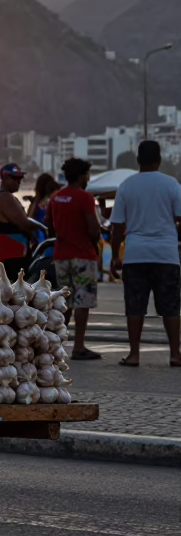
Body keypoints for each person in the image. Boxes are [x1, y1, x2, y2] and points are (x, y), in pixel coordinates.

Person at [110, 140, 181, 368]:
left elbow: (118, 226)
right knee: (171, 306)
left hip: (135, 254)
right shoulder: (172, 185)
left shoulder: (127, 186)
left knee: (135, 306)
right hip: (166, 254)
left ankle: (134, 355)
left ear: (138, 160)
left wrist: (114, 255)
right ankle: (175, 354)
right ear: (159, 159)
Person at [47, 158, 101, 360]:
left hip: (61, 255)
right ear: (81, 176)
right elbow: (93, 230)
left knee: (65, 302)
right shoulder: (85, 197)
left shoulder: (56, 197)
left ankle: (58, 344)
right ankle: (78, 346)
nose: (88, 178)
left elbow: (49, 226)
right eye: (87, 174)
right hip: (82, 255)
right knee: (82, 301)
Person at [0, 164, 42, 278]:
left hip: (3, 256)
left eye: (20, 178)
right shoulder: (5, 197)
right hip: (11, 257)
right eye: (15, 178)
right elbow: (24, 223)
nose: (19, 182)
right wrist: (43, 228)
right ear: (5, 178)